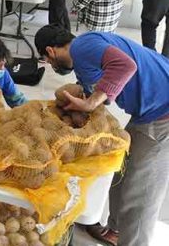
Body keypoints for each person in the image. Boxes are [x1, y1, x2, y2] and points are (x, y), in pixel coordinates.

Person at [34, 24, 169, 246]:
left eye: (48, 61)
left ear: (50, 51)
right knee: (121, 168)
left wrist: (91, 102)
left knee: (140, 192)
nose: (51, 65)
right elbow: (96, 87)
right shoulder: (86, 51)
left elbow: (125, 65)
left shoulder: (81, 47)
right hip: (148, 109)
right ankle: (115, 229)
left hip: (162, 112)